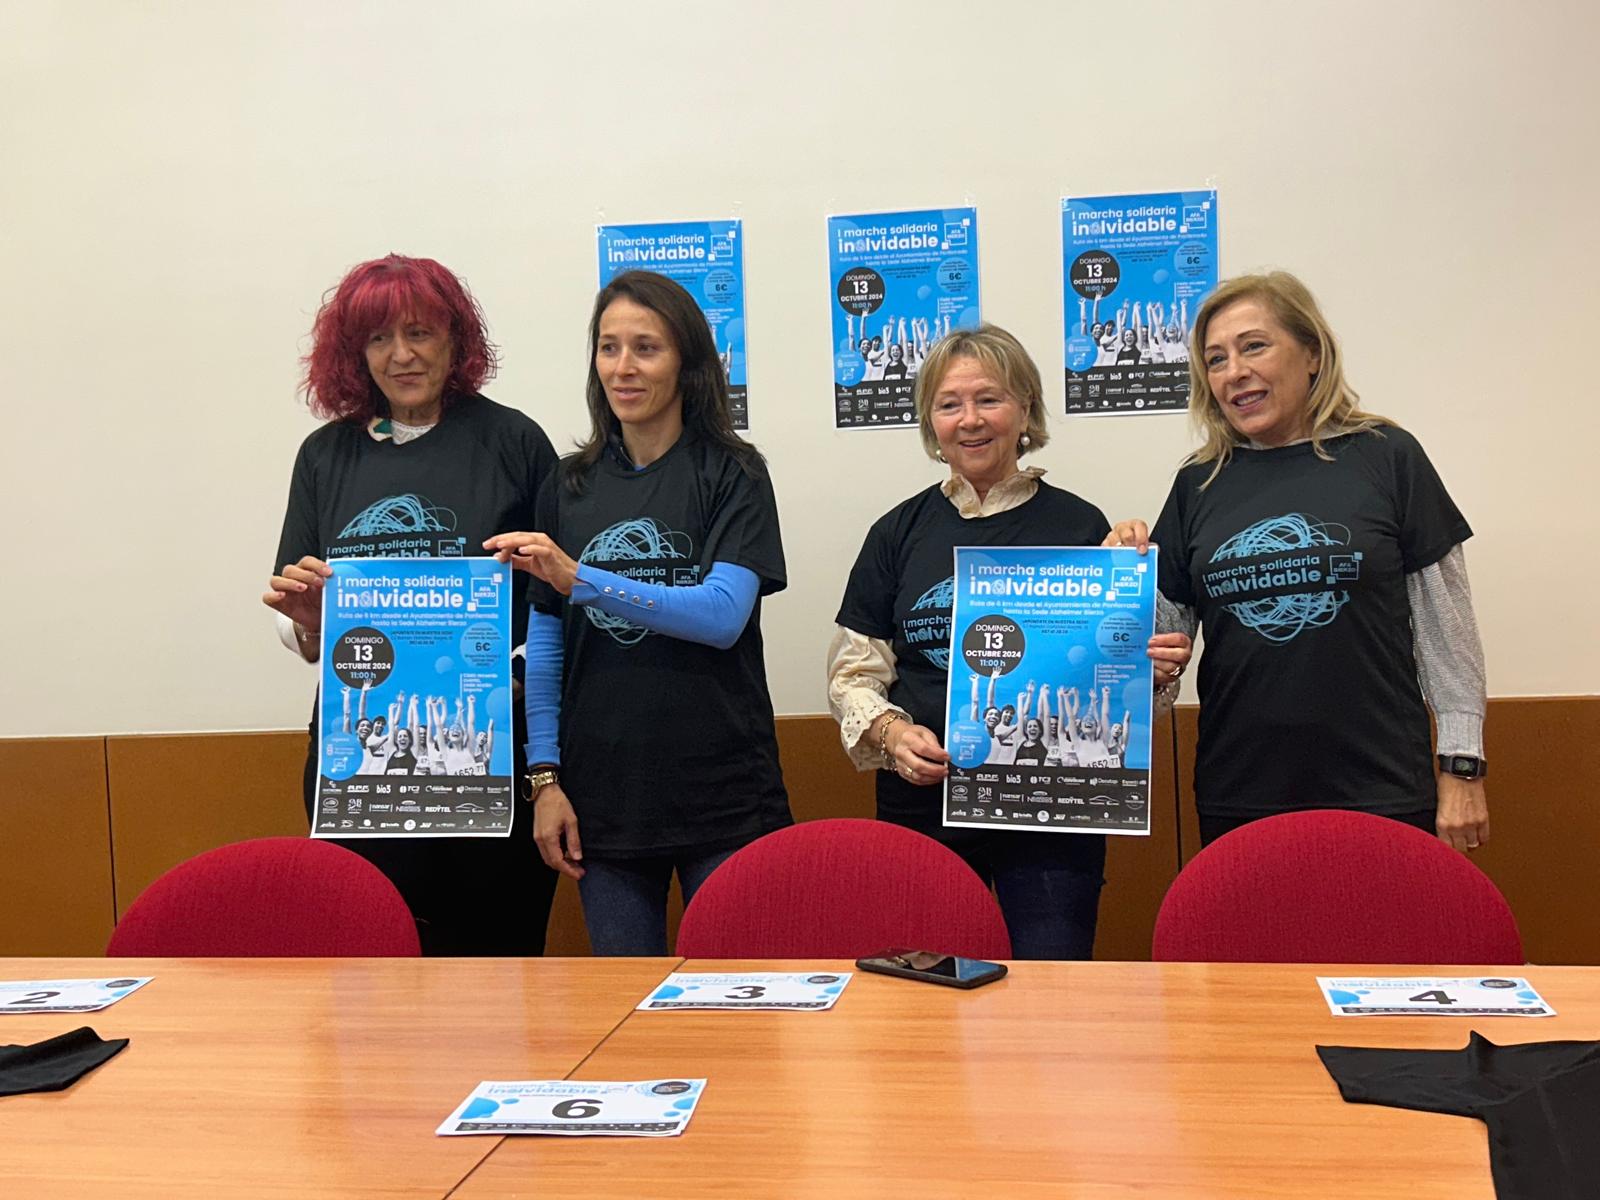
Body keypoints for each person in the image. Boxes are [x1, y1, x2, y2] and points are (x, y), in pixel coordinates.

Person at [829, 324, 1192, 960]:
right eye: (949, 404)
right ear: (930, 421)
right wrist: (890, 735)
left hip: (1050, 811)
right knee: (928, 1001)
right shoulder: (896, 533)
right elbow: (853, 674)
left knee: (1055, 999)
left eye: (989, 399)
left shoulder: (1083, 527)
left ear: (1025, 408)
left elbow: (1116, 688)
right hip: (924, 802)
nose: (970, 420)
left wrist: (1150, 671)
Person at [1107, 271, 1490, 852]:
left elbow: (1449, 631)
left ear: (1311, 353)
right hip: (1239, 790)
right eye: (1214, 359)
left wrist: (1462, 768)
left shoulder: (1388, 457)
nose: (1233, 371)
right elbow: (1155, 667)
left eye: (1253, 346)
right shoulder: (1198, 484)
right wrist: (1118, 591)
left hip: (1382, 784)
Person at [485, 269, 791, 956]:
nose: (623, 367)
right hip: (603, 802)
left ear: (687, 364)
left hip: (726, 794)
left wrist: (581, 577)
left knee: (743, 1014)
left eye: (646, 348)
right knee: (626, 1016)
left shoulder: (733, 472)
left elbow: (720, 617)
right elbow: (545, 650)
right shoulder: (567, 485)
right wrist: (545, 781)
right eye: (608, 347)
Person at [263, 253, 560, 955]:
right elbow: (297, 607)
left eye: (421, 333)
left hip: (486, 745)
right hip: (360, 752)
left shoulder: (514, 441)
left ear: (456, 342)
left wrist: (515, 676)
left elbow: (555, 597)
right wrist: (306, 624)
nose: (401, 355)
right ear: (353, 352)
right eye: (378, 339)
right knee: (371, 969)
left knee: (496, 971)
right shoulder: (324, 456)